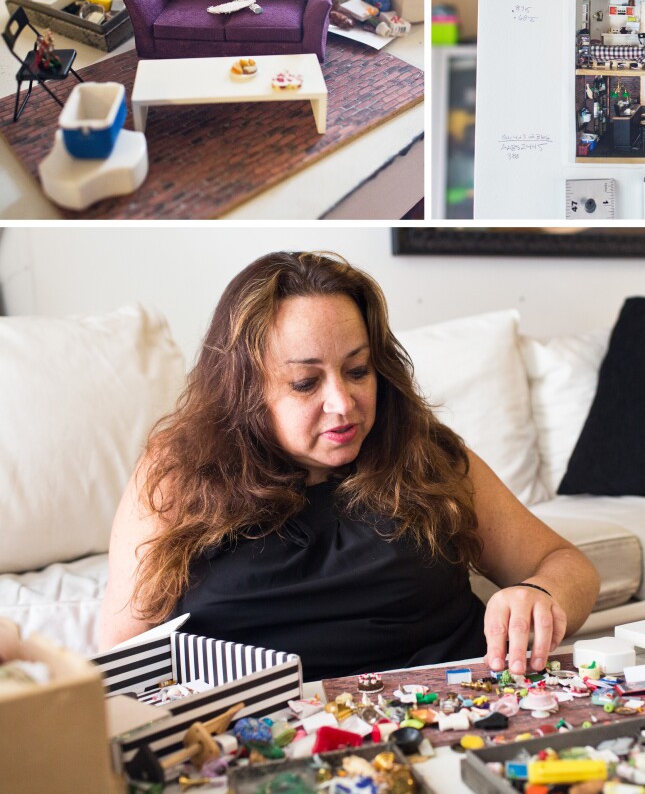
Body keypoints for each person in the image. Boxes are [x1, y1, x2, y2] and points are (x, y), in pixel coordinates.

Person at [99, 252, 600, 681]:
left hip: (456, 711)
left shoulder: (426, 455)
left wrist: (539, 594)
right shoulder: (177, 474)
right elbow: (124, 661)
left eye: (358, 371)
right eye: (305, 382)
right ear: (244, 388)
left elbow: (568, 566)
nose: (343, 402)